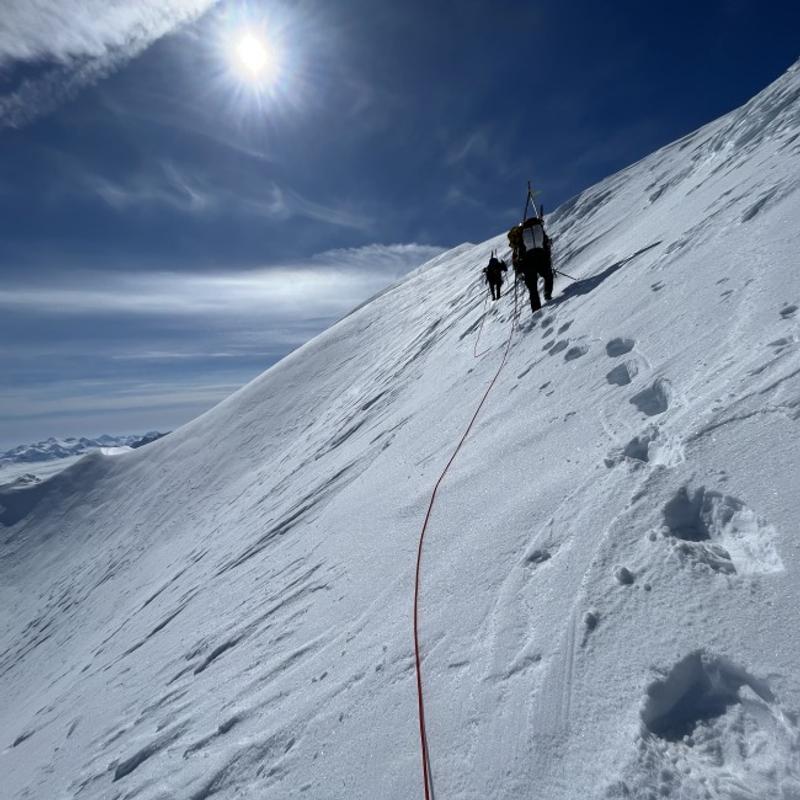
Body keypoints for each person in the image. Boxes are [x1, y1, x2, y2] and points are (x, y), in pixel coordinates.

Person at [508, 217, 553, 313]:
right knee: (548, 275)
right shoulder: (539, 229)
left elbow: (517, 253)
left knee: (532, 288)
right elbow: (546, 245)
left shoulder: (521, 234)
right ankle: (547, 294)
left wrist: (518, 270)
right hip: (541, 257)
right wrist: (547, 258)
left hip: (527, 262)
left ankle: (536, 311)